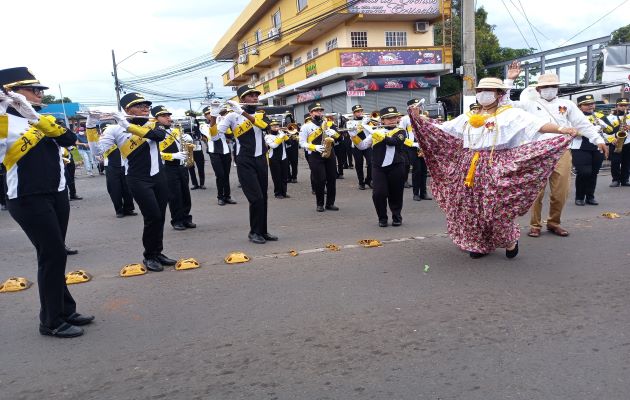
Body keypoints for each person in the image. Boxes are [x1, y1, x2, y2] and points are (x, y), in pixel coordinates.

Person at [408, 77, 579, 259]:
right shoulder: (468, 117)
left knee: (496, 207)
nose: (483, 94)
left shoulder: (510, 114)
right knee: (471, 208)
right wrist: (418, 119)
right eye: (480, 90)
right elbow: (443, 129)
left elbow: (538, 125)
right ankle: (477, 244)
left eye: (488, 90)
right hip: (469, 167)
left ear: (499, 94)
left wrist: (562, 129)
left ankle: (509, 240)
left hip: (497, 165)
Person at [0, 67, 93, 338]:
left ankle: (65, 309)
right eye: (33, 90)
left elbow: (69, 140)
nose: (39, 94)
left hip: (56, 192)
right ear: (12, 93)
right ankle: (51, 321)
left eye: (39, 90)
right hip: (28, 197)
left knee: (56, 254)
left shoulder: (42, 117)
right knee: (52, 254)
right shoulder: (3, 122)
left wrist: (32, 115)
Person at [504, 65, 607, 238]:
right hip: (536, 151)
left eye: (553, 86)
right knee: (537, 191)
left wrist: (598, 139)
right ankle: (535, 225)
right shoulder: (529, 104)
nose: (549, 90)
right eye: (545, 87)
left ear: (557, 88)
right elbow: (506, 104)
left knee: (561, 191)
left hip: (561, 151)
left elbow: (582, 123)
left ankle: (554, 222)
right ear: (538, 89)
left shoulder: (566, 105)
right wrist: (510, 79)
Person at [99, 92, 176, 272]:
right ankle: (149, 255)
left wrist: (128, 125)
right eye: (139, 105)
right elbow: (99, 149)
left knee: (161, 216)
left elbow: (158, 136)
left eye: (146, 105)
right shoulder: (114, 129)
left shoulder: (154, 124)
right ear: (127, 109)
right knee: (152, 216)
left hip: (158, 176)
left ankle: (158, 252)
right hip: (137, 179)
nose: (145, 108)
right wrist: (91, 125)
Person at [217, 85, 278, 244]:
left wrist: (242, 112)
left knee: (263, 197)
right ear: (242, 99)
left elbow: (267, 128)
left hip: (261, 159)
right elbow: (217, 134)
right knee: (256, 198)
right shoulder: (232, 116)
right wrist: (215, 114)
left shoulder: (261, 114)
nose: (255, 98)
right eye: (250, 95)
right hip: (244, 160)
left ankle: (262, 231)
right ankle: (254, 232)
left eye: (256, 95)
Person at [352, 107, 408, 227]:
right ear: (382, 120)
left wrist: (374, 132)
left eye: (394, 117)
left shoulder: (401, 131)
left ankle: (396, 216)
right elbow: (362, 146)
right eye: (388, 118)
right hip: (378, 167)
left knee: (396, 193)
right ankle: (382, 217)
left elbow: (393, 142)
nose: (392, 120)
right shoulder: (376, 132)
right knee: (378, 194)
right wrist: (353, 135)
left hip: (396, 166)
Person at [153, 105, 196, 230]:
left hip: (181, 166)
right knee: (174, 195)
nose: (168, 118)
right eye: (164, 116)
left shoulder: (175, 130)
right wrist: (173, 155)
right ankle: (177, 220)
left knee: (185, 194)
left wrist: (188, 141)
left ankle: (186, 218)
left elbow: (182, 145)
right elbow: (157, 153)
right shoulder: (155, 133)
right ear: (156, 118)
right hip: (168, 167)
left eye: (168, 115)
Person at [86, 120, 136, 218]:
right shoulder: (102, 140)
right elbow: (96, 152)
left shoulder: (121, 137)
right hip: (111, 166)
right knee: (114, 189)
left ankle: (129, 209)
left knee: (128, 189)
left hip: (125, 165)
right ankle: (119, 210)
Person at [299, 102, 340, 212]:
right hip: (315, 155)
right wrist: (314, 147)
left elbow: (339, 138)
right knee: (320, 180)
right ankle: (320, 204)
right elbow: (302, 143)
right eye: (316, 111)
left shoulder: (329, 123)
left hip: (329, 153)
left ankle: (330, 203)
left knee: (332, 179)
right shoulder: (306, 126)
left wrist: (334, 133)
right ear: (311, 113)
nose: (319, 112)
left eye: (321, 110)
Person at [573, 95, 607, 205]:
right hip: (580, 147)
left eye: (592, 103)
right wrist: (588, 131)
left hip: (597, 147)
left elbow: (611, 130)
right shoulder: (574, 117)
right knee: (584, 172)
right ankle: (579, 197)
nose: (590, 106)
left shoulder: (600, 116)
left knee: (593, 173)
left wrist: (603, 126)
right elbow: (571, 131)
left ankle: (590, 196)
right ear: (579, 106)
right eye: (586, 104)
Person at [201, 102, 237, 206]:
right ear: (205, 115)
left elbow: (230, 135)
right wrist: (217, 119)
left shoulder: (222, 121)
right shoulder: (204, 126)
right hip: (214, 152)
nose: (211, 114)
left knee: (226, 175)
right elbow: (213, 135)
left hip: (226, 151)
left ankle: (227, 196)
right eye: (209, 113)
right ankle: (220, 197)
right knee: (220, 175)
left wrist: (225, 121)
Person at [400, 98, 431, 201]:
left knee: (424, 170)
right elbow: (400, 134)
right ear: (409, 108)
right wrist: (413, 144)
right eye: (414, 107)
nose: (416, 109)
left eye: (418, 107)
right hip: (412, 147)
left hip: (423, 147)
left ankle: (423, 193)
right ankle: (415, 193)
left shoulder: (423, 118)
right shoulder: (405, 119)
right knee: (417, 169)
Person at [602, 98, 630, 187]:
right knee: (615, 162)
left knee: (627, 162)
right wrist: (611, 139)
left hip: (628, 142)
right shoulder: (610, 118)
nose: (623, 107)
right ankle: (616, 180)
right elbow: (605, 131)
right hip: (615, 142)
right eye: (621, 105)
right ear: (616, 106)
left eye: (625, 105)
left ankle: (625, 179)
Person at [346, 104, 373, 190]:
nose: (360, 113)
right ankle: (361, 182)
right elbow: (352, 134)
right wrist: (362, 124)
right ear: (354, 113)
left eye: (361, 111)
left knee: (371, 163)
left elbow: (373, 131)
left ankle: (369, 179)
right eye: (357, 112)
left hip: (368, 144)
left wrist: (370, 123)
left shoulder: (368, 121)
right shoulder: (349, 122)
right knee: (359, 164)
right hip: (356, 146)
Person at [265, 119, 290, 198]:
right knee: (276, 177)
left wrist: (285, 135)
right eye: (273, 125)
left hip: (284, 157)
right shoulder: (267, 136)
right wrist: (281, 136)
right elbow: (274, 146)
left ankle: (284, 192)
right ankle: (278, 193)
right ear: (270, 127)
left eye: (277, 125)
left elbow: (290, 144)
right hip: (273, 158)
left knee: (284, 176)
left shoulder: (281, 134)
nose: (276, 127)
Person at [188, 120, 206, 190]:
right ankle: (195, 184)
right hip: (189, 148)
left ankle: (202, 184)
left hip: (198, 148)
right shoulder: (185, 128)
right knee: (191, 167)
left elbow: (203, 137)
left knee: (200, 167)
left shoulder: (199, 128)